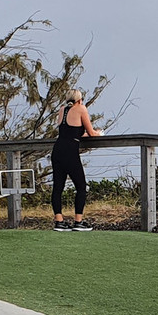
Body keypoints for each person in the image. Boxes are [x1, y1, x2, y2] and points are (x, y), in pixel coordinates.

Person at [51, 89, 102, 232]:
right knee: (80, 186)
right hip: (70, 152)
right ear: (79, 100)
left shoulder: (62, 110)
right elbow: (91, 132)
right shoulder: (81, 109)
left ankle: (59, 221)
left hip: (57, 150)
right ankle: (78, 221)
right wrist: (98, 133)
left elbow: (69, 131)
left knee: (58, 187)